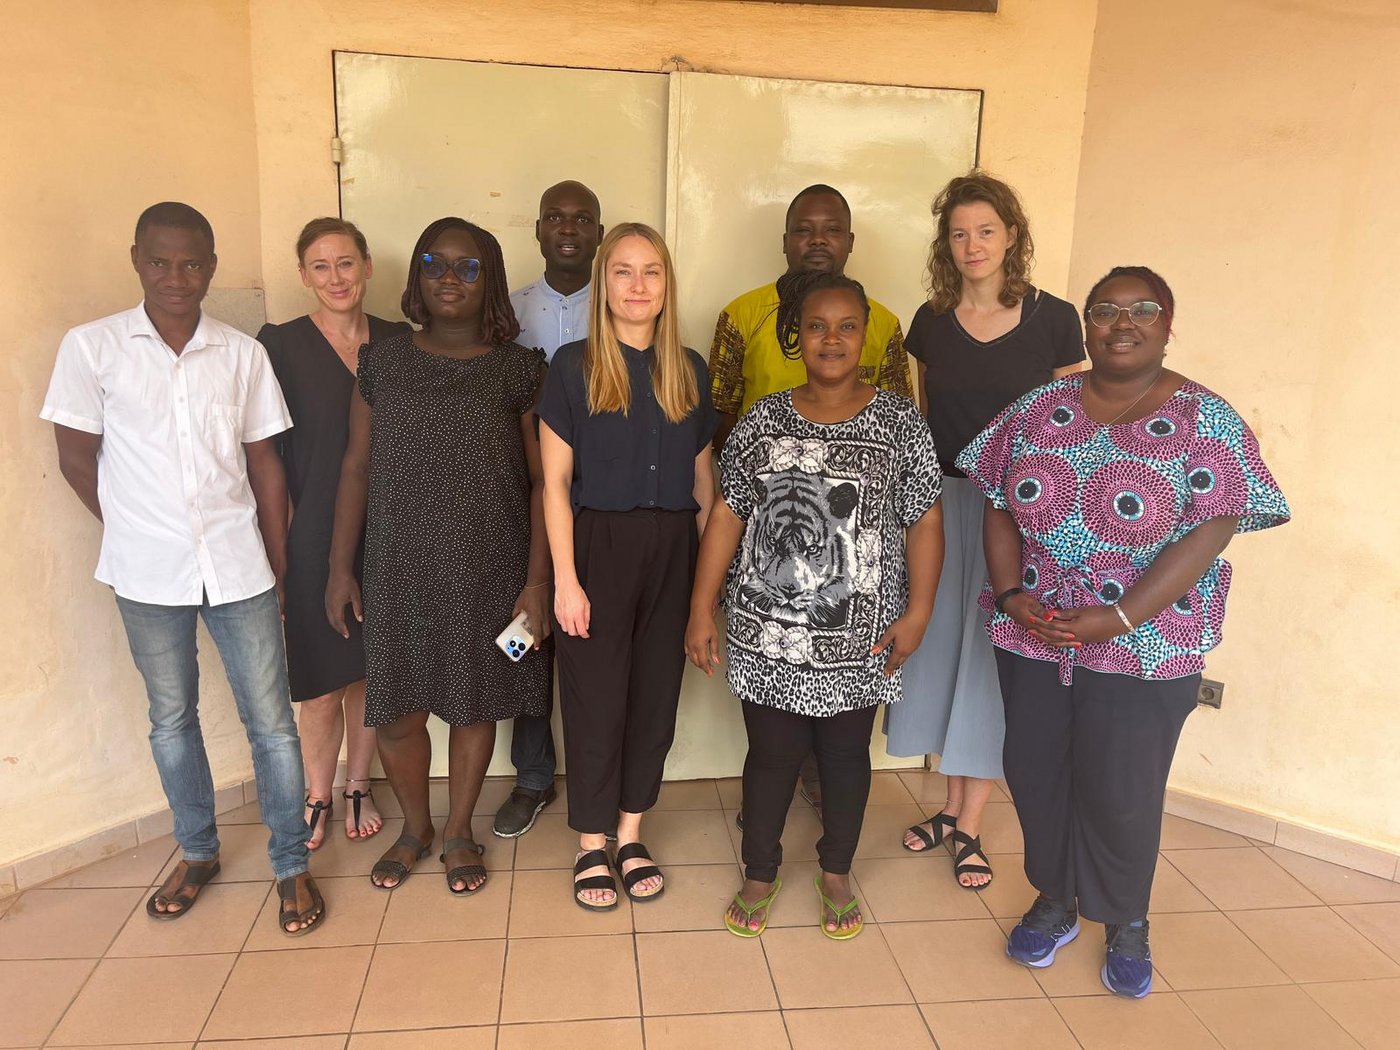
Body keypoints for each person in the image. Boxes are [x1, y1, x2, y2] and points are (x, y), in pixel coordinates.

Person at [958, 266, 1289, 997]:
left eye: (1143, 309)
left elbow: (1214, 527)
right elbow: (996, 499)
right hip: (1036, 635)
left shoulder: (1209, 419)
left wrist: (1119, 616)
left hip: (1148, 643)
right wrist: (1010, 594)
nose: (1123, 321)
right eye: (1105, 309)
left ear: (1169, 324)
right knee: (1038, 774)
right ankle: (1055, 899)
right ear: (1086, 324)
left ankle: (1128, 919)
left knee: (1123, 789)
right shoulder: (1038, 408)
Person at [41, 202, 325, 935]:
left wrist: (279, 558)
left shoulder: (240, 354)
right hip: (145, 573)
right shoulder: (93, 347)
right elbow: (76, 458)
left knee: (272, 725)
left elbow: (265, 462)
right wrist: (135, 529)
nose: (177, 277)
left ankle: (291, 864)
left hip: (239, 567)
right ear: (137, 260)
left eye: (193, 263)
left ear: (212, 267)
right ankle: (198, 851)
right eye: (162, 262)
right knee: (172, 720)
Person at [686, 272, 943, 940]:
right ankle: (760, 872)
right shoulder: (763, 421)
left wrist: (917, 613)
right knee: (769, 757)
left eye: (847, 326)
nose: (833, 339)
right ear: (795, 336)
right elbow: (725, 516)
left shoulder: (898, 423)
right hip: (766, 632)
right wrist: (699, 606)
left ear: (866, 336)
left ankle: (835, 871)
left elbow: (926, 521)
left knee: (845, 757)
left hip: (860, 636)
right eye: (818, 326)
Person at [325, 217, 552, 896]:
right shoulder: (384, 361)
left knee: (473, 705)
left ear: (492, 281)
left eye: (468, 266)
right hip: (398, 564)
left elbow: (545, 481)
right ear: (418, 276)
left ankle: (458, 831)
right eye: (435, 263)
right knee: (396, 713)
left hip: (489, 563)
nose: (449, 278)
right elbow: (356, 468)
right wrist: (340, 567)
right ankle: (414, 828)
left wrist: (536, 584)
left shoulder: (519, 369)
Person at [889, 173, 1085, 889]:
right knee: (942, 652)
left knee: (996, 661)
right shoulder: (931, 321)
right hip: (944, 505)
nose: (972, 246)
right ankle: (948, 805)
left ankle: (970, 825)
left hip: (1023, 516)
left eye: (986, 231)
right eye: (959, 233)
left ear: (1012, 237)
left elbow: (1072, 422)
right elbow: (920, 420)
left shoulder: (1056, 318)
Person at [708, 183, 914, 811]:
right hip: (766, 520)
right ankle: (772, 788)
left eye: (831, 229)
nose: (817, 240)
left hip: (849, 541)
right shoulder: (742, 315)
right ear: (786, 240)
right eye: (804, 228)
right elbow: (719, 417)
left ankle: (822, 785)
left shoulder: (882, 323)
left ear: (850, 242)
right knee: (773, 699)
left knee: (839, 725)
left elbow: (900, 416)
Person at [537, 222, 717, 910]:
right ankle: (591, 843)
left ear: (667, 285)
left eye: (651, 272)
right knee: (595, 701)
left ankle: (631, 830)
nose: (637, 286)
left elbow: (704, 489)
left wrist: (706, 591)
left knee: (653, 700)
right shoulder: (573, 366)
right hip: (597, 550)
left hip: (673, 550)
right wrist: (566, 581)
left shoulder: (689, 369)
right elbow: (553, 484)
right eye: (622, 271)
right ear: (603, 284)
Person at [259, 218, 410, 850]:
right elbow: (263, 453)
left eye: (346, 263)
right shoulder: (278, 345)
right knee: (322, 678)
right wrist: (283, 546)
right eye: (320, 267)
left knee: (375, 667)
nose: (335, 278)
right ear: (303, 276)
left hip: (396, 528)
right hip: (315, 529)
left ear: (369, 266)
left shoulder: (404, 342)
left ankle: (358, 784)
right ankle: (317, 791)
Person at [495, 180, 603, 840]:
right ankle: (532, 776)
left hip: (603, 501)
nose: (568, 229)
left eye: (582, 219)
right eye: (555, 219)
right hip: (523, 499)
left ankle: (596, 777)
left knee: (593, 640)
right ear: (537, 231)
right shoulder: (504, 315)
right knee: (527, 636)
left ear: (599, 231)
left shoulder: (623, 308)